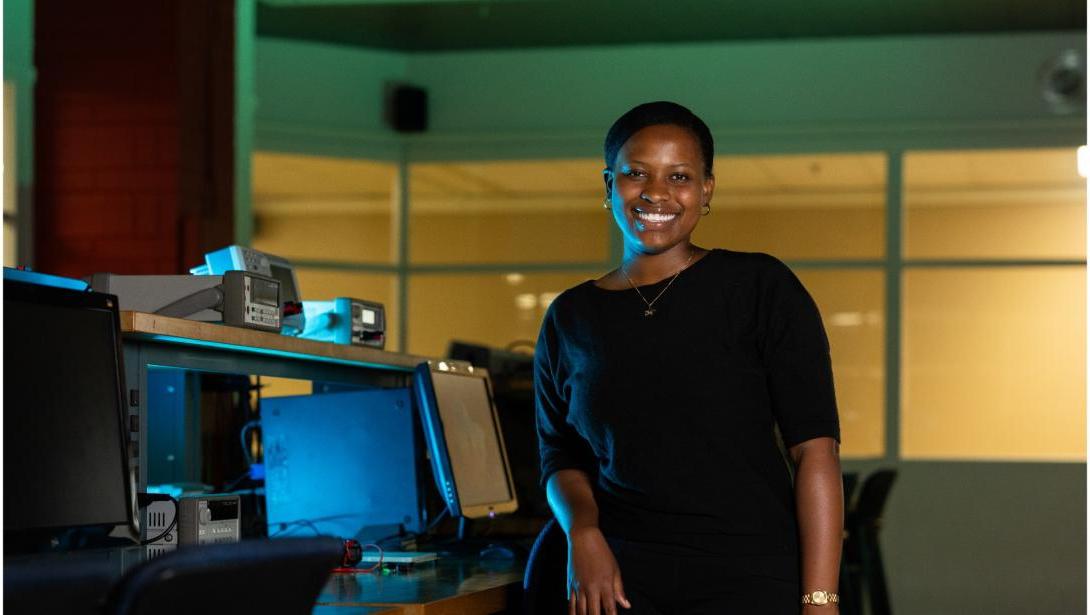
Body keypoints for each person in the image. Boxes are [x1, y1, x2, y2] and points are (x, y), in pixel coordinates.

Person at [534, 101, 843, 615]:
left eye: (679, 176)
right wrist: (582, 532)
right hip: (621, 580)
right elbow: (560, 457)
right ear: (609, 184)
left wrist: (820, 601)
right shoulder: (570, 317)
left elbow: (816, 452)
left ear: (706, 189)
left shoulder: (760, 288)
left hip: (752, 575)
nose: (656, 192)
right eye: (636, 174)